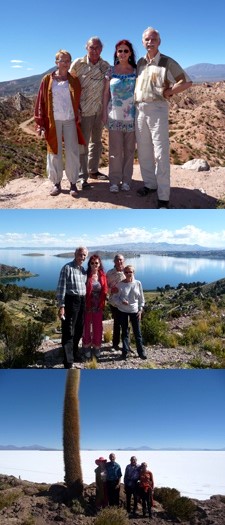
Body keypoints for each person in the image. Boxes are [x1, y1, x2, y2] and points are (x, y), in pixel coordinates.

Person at [135, 27, 192, 208]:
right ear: (143, 42)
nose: (149, 42)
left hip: (157, 109)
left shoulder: (167, 62)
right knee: (144, 151)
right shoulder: (140, 62)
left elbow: (186, 81)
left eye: (153, 39)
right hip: (140, 110)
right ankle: (150, 185)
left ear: (159, 42)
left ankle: (163, 196)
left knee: (160, 152)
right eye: (146, 39)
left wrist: (169, 91)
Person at [34, 49, 85, 197]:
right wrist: (40, 122)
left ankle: (73, 183)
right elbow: (40, 102)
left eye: (68, 60)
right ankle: (56, 183)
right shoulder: (47, 80)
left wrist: (79, 112)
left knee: (72, 151)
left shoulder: (74, 79)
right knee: (54, 152)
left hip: (70, 120)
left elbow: (78, 99)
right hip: (53, 120)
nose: (65, 63)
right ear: (56, 62)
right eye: (62, 60)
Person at [70, 37, 109, 188]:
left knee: (97, 143)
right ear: (86, 47)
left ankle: (93, 170)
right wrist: (75, 108)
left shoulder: (105, 66)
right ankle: (82, 176)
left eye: (98, 47)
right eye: (92, 47)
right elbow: (70, 86)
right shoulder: (78, 64)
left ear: (102, 49)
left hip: (99, 110)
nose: (95, 50)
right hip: (83, 111)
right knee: (83, 145)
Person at [102, 40, 136, 193]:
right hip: (114, 116)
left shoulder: (136, 71)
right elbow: (105, 94)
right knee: (115, 151)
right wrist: (104, 113)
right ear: (116, 53)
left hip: (132, 117)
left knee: (129, 151)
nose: (122, 54)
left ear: (130, 53)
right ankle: (114, 181)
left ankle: (127, 181)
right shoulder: (110, 71)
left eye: (125, 51)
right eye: (120, 51)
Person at [56, 246, 88, 368]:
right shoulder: (67, 268)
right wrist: (61, 306)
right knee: (69, 330)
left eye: (84, 255)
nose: (82, 257)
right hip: (71, 301)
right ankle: (68, 361)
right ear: (75, 254)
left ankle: (74, 352)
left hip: (82, 301)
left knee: (79, 328)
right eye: (80, 254)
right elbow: (61, 288)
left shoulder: (83, 270)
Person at [113, 265, 146, 360]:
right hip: (123, 311)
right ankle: (125, 352)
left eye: (130, 272)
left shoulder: (138, 283)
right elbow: (115, 298)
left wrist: (140, 310)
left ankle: (141, 352)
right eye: (126, 272)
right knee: (124, 332)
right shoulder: (120, 284)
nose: (128, 274)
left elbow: (141, 298)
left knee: (137, 333)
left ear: (133, 272)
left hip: (135, 311)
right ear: (124, 273)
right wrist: (121, 302)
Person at [82, 254, 108, 360]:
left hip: (98, 305)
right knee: (86, 327)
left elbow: (105, 289)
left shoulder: (102, 275)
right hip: (87, 305)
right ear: (89, 264)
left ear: (99, 264)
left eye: (96, 263)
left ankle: (97, 347)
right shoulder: (85, 275)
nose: (94, 265)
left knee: (98, 327)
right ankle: (86, 346)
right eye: (92, 263)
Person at [106, 254, 125, 350]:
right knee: (117, 323)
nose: (119, 262)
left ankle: (126, 344)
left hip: (126, 302)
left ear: (123, 261)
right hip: (114, 302)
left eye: (121, 260)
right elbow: (105, 287)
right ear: (114, 262)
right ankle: (115, 344)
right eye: (117, 260)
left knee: (126, 324)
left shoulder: (127, 271)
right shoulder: (109, 273)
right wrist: (110, 290)